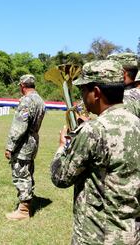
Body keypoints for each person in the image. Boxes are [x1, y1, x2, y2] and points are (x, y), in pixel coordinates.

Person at [51, 60, 140, 244]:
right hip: (131, 234)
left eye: (84, 90)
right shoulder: (136, 123)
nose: (82, 95)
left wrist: (62, 146)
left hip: (97, 236)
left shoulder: (93, 130)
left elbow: (60, 177)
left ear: (97, 92)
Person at [4, 74, 45, 220]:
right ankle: (27, 203)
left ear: (22, 85)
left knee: (21, 174)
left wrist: (10, 146)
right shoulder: (39, 100)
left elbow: (19, 126)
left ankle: (23, 211)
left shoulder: (27, 101)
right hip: (33, 140)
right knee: (28, 172)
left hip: (24, 143)